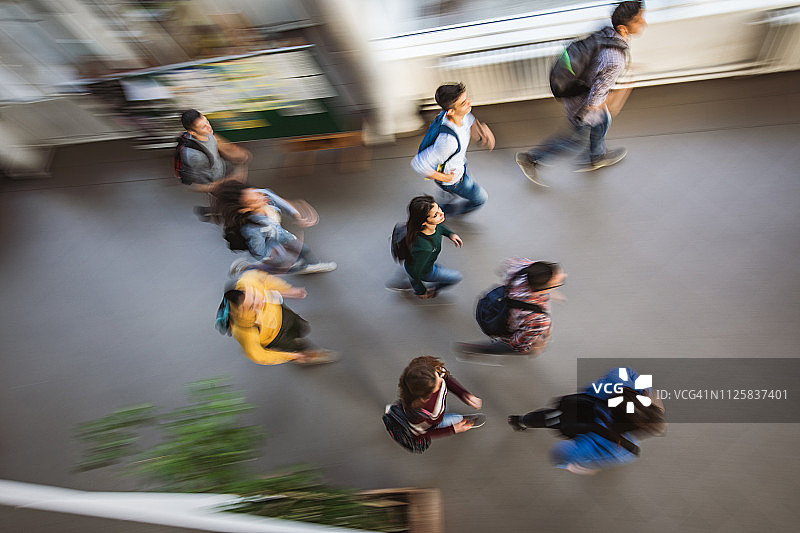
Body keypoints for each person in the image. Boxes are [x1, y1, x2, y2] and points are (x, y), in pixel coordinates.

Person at [515, 1, 647, 185]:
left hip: (574, 89)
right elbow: (596, 100)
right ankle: (532, 160)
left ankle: (597, 156)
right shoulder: (615, 58)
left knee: (601, 123)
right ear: (624, 28)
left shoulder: (606, 32)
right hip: (581, 103)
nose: (644, 23)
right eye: (639, 20)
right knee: (576, 138)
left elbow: (596, 68)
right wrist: (625, 89)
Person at [507, 367, 665, 474]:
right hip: (573, 425)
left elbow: (624, 371)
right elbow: (559, 453)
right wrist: (571, 466)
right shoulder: (621, 449)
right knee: (552, 420)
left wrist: (645, 392)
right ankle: (519, 421)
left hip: (574, 406)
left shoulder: (621, 384)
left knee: (548, 417)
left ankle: (519, 421)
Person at [216, 181, 336, 275]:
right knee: (281, 265)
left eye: (257, 193)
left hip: (281, 235)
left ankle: (311, 264)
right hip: (272, 246)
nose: (263, 197)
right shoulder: (252, 230)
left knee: (303, 249)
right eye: (255, 199)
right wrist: (272, 253)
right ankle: (247, 267)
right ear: (246, 209)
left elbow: (280, 203)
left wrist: (296, 214)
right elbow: (258, 251)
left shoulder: (264, 196)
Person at [411, 82, 494, 215]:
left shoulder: (461, 115)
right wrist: (445, 178)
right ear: (451, 111)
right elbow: (418, 164)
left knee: (457, 184)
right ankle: (445, 211)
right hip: (455, 179)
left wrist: (482, 133)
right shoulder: (448, 142)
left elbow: (469, 120)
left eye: (467, 98)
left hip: (460, 165)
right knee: (481, 198)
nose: (469, 102)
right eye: (463, 103)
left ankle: (447, 193)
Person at [223, 269, 336, 365]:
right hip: (275, 337)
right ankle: (305, 354)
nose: (258, 302)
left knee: (303, 327)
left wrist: (288, 290)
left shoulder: (249, 281)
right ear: (240, 311)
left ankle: (300, 349)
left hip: (281, 314)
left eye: (253, 297)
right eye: (251, 306)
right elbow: (259, 355)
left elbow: (265, 279)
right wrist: (290, 356)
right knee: (297, 347)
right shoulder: (244, 331)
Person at [459, 258, 565, 355]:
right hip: (504, 326)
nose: (565, 275)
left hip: (493, 303)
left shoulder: (522, 267)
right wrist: (534, 347)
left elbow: (502, 267)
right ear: (545, 289)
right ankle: (473, 349)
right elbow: (517, 343)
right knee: (508, 346)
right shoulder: (539, 319)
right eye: (558, 283)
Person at [176, 109, 252, 220]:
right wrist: (229, 180)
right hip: (217, 182)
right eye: (203, 126)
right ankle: (213, 212)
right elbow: (196, 186)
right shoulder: (194, 156)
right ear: (192, 132)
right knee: (238, 204)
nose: (208, 126)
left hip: (223, 169)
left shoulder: (207, 133)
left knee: (243, 198)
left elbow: (216, 142)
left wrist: (234, 154)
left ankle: (214, 210)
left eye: (206, 121)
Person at [388, 195, 463, 298]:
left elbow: (439, 228)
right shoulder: (425, 248)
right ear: (423, 222)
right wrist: (421, 291)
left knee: (414, 265)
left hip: (422, 262)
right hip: (426, 271)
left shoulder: (425, 227)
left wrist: (450, 234)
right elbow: (413, 272)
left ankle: (403, 281)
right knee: (456, 277)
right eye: (435, 215)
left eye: (439, 208)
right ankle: (433, 289)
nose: (442, 213)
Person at [396, 356, 484, 441]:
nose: (441, 380)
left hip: (436, 410)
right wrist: (453, 429)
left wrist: (464, 394)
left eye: (437, 375)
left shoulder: (430, 372)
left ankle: (396, 411)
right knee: (455, 419)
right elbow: (417, 434)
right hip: (432, 421)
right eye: (437, 385)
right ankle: (399, 416)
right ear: (425, 397)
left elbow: (445, 376)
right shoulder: (420, 415)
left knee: (441, 412)